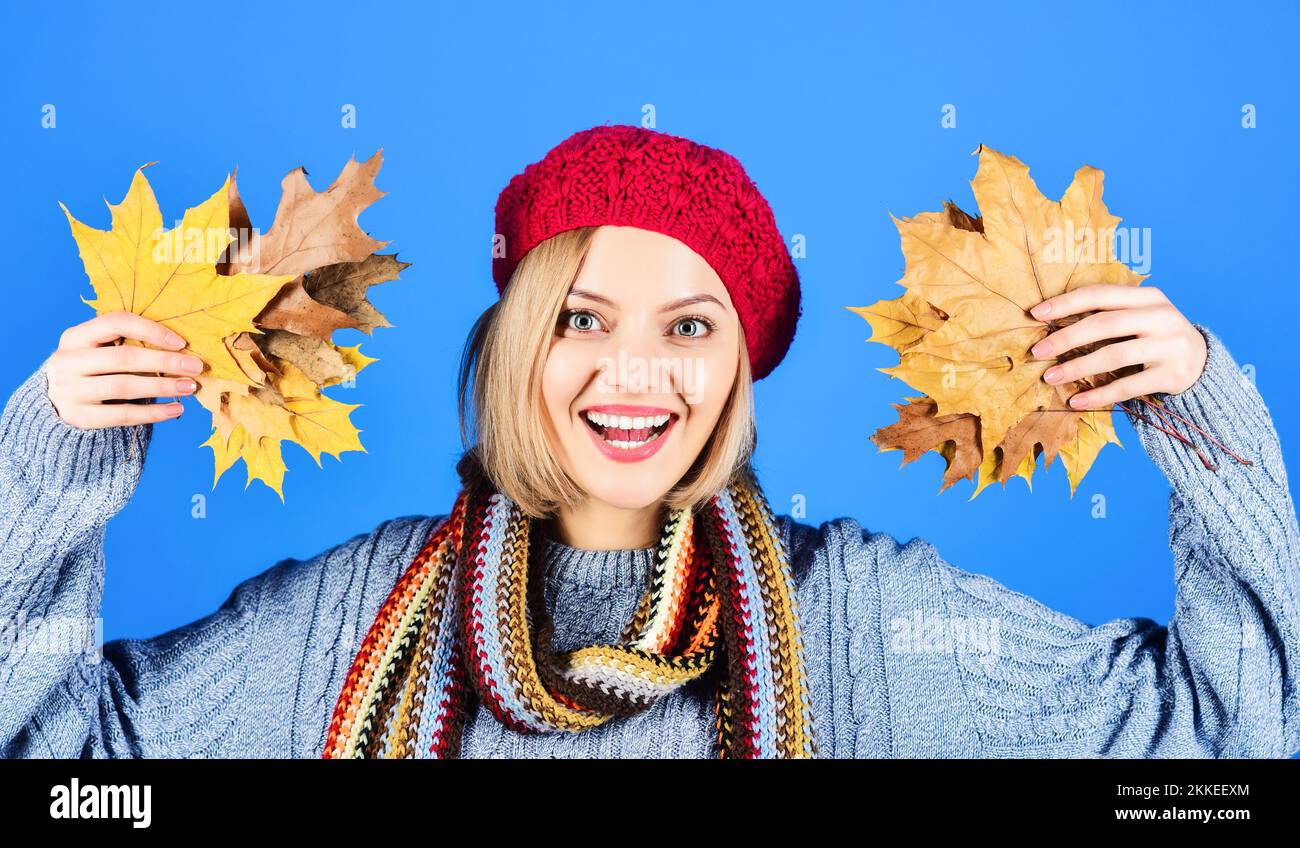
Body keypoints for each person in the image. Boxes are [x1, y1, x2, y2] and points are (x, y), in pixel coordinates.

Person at [1, 124, 1296, 759]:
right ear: (518, 344)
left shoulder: (872, 624)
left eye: (689, 326)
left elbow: (1233, 743)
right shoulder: (346, 624)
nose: (634, 372)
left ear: (740, 364)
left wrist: (1195, 411)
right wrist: (52, 463)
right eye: (580, 318)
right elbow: (56, 765)